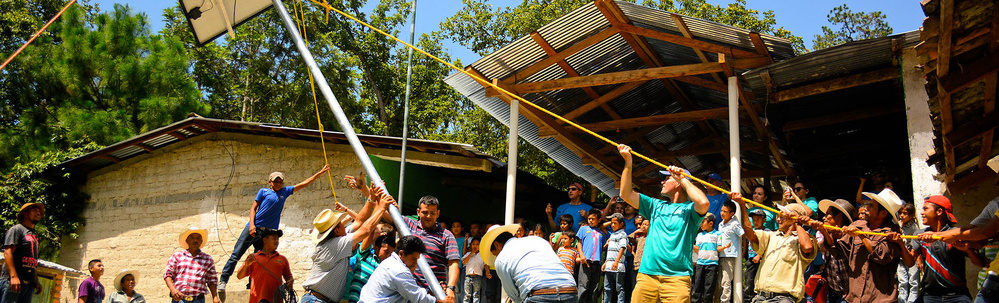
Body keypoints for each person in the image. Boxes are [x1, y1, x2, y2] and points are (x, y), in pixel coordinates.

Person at [617, 144, 710, 302]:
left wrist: (683, 179)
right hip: (647, 275)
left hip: (677, 279)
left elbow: (703, 202)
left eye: (667, 178)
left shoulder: (690, 210)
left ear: (678, 183)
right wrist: (628, 162)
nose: (662, 182)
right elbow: (625, 194)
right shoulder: (655, 205)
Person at [219, 165, 330, 296]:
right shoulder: (263, 192)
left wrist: (320, 172)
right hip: (253, 227)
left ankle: (251, 284)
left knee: (258, 259)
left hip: (267, 233)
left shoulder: (285, 191)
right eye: (276, 181)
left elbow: (304, 184)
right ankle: (223, 281)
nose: (278, 183)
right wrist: (252, 225)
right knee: (236, 254)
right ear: (270, 182)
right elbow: (253, 208)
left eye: (280, 181)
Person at [921, 158, 999, 303]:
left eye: (926, 208)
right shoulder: (995, 204)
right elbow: (976, 230)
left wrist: (944, 236)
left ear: (939, 212)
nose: (996, 187)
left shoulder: (951, 232)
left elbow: (983, 233)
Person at [301, 184, 390, 303]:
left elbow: (359, 222)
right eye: (341, 224)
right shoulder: (336, 244)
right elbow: (365, 230)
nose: (345, 225)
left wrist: (371, 199)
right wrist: (381, 208)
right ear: (336, 230)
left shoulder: (336, 238)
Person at [895, 196, 986, 303]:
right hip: (929, 295)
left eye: (926, 209)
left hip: (957, 295)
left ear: (939, 211)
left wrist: (968, 250)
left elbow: (981, 263)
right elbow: (910, 262)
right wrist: (900, 244)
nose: (921, 213)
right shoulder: (920, 235)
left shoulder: (956, 234)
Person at [731, 192, 817, 303]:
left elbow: (807, 248)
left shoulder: (801, 239)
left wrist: (797, 223)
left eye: (783, 216)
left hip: (784, 298)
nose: (778, 219)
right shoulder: (771, 236)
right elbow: (750, 235)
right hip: (761, 297)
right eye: (779, 216)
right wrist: (742, 205)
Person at [825, 189, 904, 303]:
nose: (866, 208)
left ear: (883, 213)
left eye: (871, 206)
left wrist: (861, 236)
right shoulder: (858, 224)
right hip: (854, 296)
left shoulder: (892, 233)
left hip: (880, 298)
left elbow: (881, 256)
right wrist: (824, 231)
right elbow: (839, 251)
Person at [381, 196, 461, 293]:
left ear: (438, 213)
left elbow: (453, 263)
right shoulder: (408, 225)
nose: (428, 216)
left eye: (432, 213)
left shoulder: (447, 236)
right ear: (418, 212)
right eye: (425, 212)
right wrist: (368, 193)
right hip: (408, 291)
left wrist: (451, 288)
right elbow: (387, 214)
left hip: (434, 293)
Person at [480, 224, 577, 303]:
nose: (497, 256)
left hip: (539, 294)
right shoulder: (538, 240)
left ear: (497, 245)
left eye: (495, 254)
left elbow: (514, 295)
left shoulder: (501, 258)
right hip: (570, 289)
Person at [357, 235, 456, 303]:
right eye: (413, 259)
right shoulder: (399, 270)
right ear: (401, 254)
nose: (415, 263)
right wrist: (440, 301)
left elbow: (412, 291)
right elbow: (417, 297)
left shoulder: (391, 262)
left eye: (417, 259)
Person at [812, 199, 856, 303]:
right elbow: (821, 246)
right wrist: (824, 232)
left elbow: (837, 251)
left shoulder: (851, 236)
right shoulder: (824, 233)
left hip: (849, 294)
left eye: (828, 214)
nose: (824, 217)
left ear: (840, 216)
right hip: (832, 291)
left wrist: (825, 232)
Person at [163, 227, 221, 303]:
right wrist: (173, 290)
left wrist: (215, 297)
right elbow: (168, 274)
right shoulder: (177, 256)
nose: (195, 240)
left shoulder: (207, 259)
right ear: (187, 240)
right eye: (192, 238)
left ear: (201, 241)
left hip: (198, 300)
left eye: (198, 238)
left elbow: (212, 280)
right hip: (179, 299)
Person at [1, 203, 44, 303]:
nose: (38, 213)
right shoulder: (17, 229)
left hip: (29, 283)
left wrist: (36, 280)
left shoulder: (35, 236)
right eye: (34, 211)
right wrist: (13, 276)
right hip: (13, 282)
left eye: (39, 212)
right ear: (25, 214)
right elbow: (8, 253)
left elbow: (33, 260)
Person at [236, 228, 293, 303]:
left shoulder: (282, 259)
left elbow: (288, 278)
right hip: (257, 300)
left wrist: (290, 282)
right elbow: (239, 276)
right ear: (265, 240)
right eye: (273, 238)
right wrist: (246, 265)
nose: (276, 241)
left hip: (276, 300)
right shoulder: (253, 257)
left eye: (277, 239)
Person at [347, 234, 397, 303]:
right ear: (376, 248)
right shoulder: (365, 256)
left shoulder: (388, 268)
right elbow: (368, 232)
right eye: (387, 252)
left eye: (391, 254)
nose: (388, 256)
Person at [691, 213, 726, 303]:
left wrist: (725, 247)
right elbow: (697, 249)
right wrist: (692, 244)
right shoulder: (699, 235)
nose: (701, 224)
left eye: (703, 222)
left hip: (712, 264)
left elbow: (718, 247)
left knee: (709, 287)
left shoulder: (718, 234)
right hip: (700, 263)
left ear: (710, 223)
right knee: (698, 285)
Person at [577, 209, 606, 303]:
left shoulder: (602, 233)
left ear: (599, 220)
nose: (590, 221)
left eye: (593, 219)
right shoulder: (583, 229)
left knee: (594, 287)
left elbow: (602, 247)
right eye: (589, 218)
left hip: (597, 262)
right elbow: (579, 243)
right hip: (586, 261)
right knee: (583, 286)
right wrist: (581, 255)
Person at [717, 201, 743, 303]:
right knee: (719, 281)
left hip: (730, 255)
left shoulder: (735, 224)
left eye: (725, 211)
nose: (722, 213)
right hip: (720, 254)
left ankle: (725, 301)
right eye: (721, 210)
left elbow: (743, 235)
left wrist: (742, 250)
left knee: (726, 281)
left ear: (732, 214)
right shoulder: (720, 224)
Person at [896, 202, 921, 303]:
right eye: (901, 213)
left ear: (911, 215)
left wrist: (919, 258)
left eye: (905, 213)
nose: (902, 216)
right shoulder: (898, 225)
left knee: (913, 282)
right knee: (902, 281)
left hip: (912, 257)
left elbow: (918, 244)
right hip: (901, 257)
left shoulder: (914, 228)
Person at [742, 209, 769, 303]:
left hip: (762, 261)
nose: (755, 222)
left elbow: (767, 245)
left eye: (758, 219)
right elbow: (745, 242)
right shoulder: (751, 231)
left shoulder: (767, 232)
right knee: (749, 282)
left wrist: (759, 255)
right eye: (753, 220)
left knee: (761, 283)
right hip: (750, 260)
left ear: (764, 220)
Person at [603, 213, 629, 303]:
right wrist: (606, 262)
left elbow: (622, 247)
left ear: (621, 224)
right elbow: (610, 251)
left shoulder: (622, 234)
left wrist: (616, 261)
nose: (612, 225)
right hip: (609, 266)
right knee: (607, 288)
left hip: (618, 267)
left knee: (619, 288)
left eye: (615, 223)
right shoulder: (612, 234)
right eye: (612, 223)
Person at [461, 237, 488, 303]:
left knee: (476, 295)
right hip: (468, 277)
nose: (475, 246)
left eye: (477, 244)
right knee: (467, 295)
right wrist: (471, 253)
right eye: (473, 244)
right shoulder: (468, 254)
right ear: (471, 245)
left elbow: (485, 265)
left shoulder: (482, 255)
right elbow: (464, 262)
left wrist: (487, 271)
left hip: (477, 277)